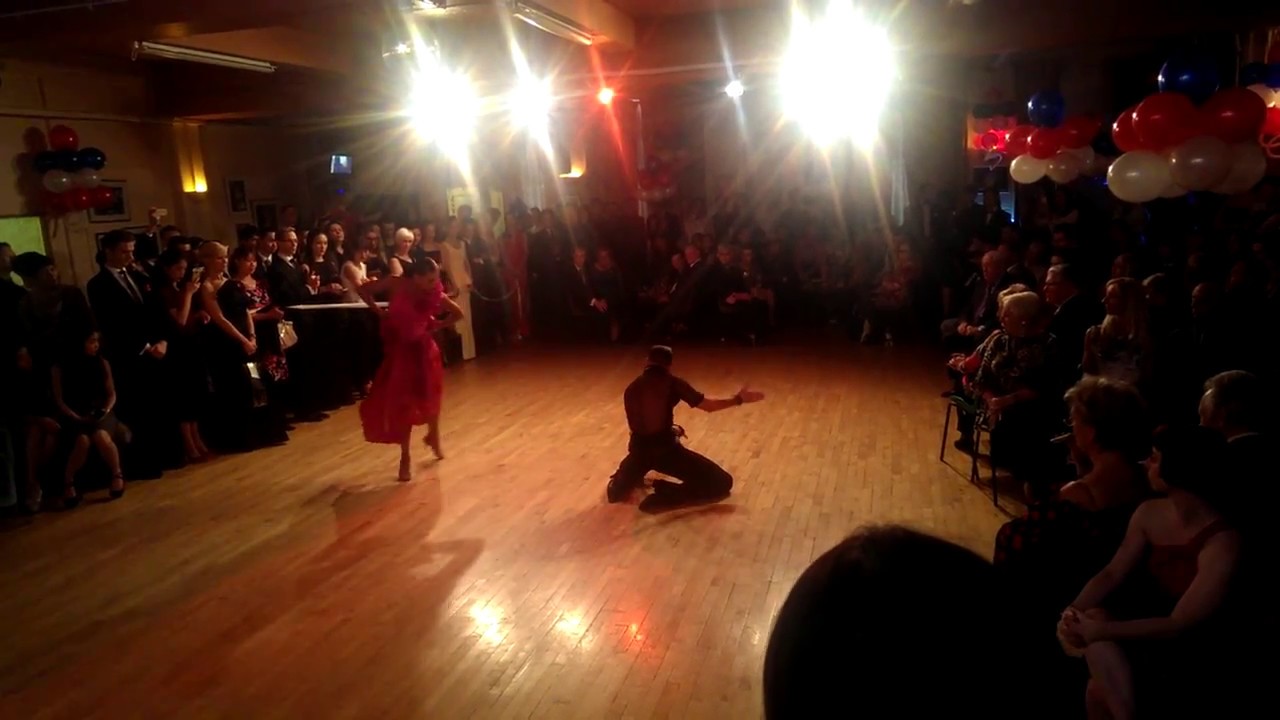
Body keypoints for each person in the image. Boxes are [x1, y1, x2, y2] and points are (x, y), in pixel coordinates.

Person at [606, 345, 763, 512]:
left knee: (614, 493)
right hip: (665, 453)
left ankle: (631, 476)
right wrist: (738, 399)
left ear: (647, 361)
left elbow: (641, 427)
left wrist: (669, 431)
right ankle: (669, 494)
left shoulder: (632, 388)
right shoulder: (673, 383)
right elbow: (708, 406)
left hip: (638, 452)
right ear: (669, 365)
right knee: (722, 482)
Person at [357, 258, 463, 482]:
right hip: (401, 353)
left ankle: (434, 436)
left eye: (436, 279)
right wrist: (378, 311)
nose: (435, 283)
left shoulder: (434, 293)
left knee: (430, 397)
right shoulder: (396, 283)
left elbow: (457, 313)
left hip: (424, 351)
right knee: (403, 405)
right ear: (415, 277)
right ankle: (405, 456)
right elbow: (363, 289)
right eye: (430, 279)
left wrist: (437, 324)